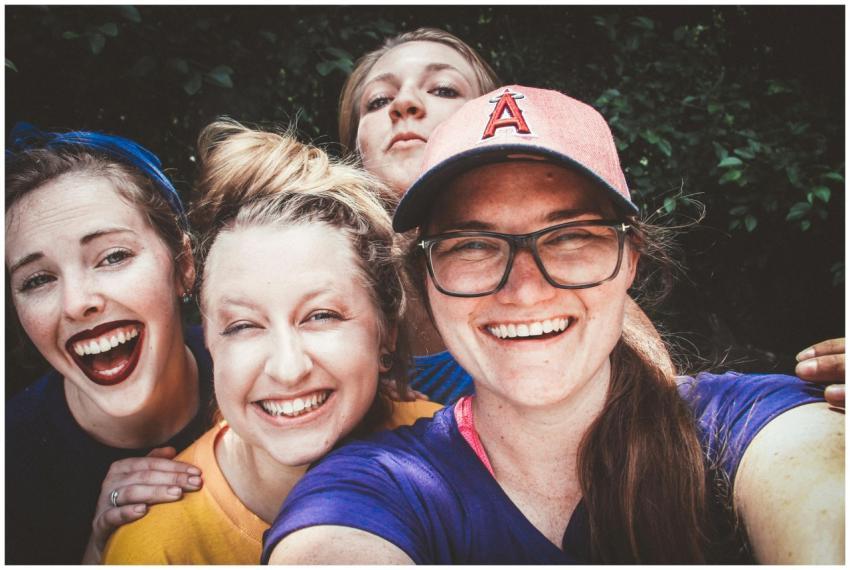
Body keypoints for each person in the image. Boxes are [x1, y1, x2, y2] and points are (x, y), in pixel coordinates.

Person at [263, 86, 844, 563]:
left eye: (570, 237)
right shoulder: (378, 486)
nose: (525, 288)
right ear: (426, 278)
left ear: (630, 259)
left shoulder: (741, 426)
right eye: (472, 244)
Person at [101, 120, 440, 564]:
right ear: (209, 344)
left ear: (386, 334)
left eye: (321, 316)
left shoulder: (455, 453)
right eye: (243, 326)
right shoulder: (156, 545)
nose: (287, 368)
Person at [338, 27, 677, 404]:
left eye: (443, 89)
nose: (404, 104)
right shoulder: (324, 292)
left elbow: (667, 415)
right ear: (354, 148)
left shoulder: (587, 297)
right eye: (378, 100)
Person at [5, 125, 213, 564]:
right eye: (38, 280)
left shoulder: (261, 371)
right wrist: (100, 554)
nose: (78, 303)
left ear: (184, 266)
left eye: (113, 256)